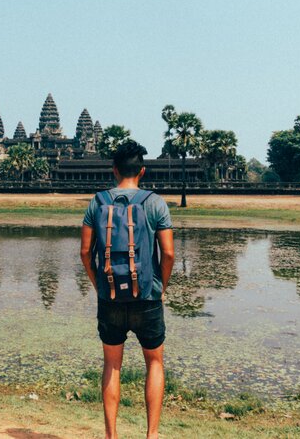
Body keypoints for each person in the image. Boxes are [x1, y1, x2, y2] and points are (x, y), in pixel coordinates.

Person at [79, 140, 175, 439]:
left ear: (114, 170)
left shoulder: (98, 201)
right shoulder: (155, 202)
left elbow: (85, 252)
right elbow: (169, 254)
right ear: (142, 171)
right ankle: (152, 435)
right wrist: (162, 287)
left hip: (110, 298)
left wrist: (98, 285)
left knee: (112, 365)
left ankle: (111, 435)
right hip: (147, 297)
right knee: (155, 363)